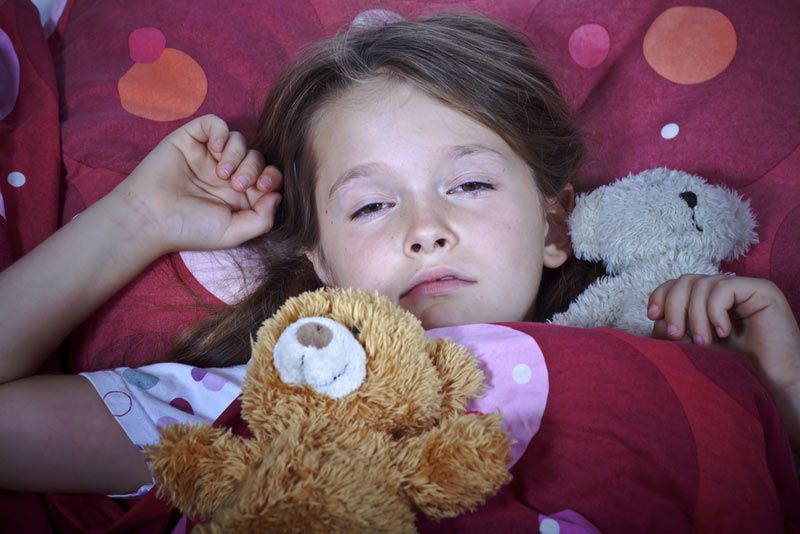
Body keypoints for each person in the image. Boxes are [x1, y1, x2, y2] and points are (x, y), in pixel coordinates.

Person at [0, 12, 798, 498]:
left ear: (556, 225)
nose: (425, 229)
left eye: (472, 185)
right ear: (321, 261)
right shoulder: (275, 400)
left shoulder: (650, 347)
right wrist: (136, 218)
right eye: (373, 204)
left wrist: (772, 400)